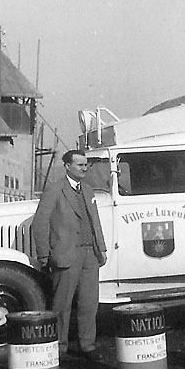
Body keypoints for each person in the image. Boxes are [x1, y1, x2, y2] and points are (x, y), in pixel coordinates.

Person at [32, 149, 108, 357]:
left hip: (89, 255)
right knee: (62, 305)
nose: (84, 168)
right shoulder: (55, 190)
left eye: (86, 165)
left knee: (89, 303)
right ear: (67, 166)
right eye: (80, 165)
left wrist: (101, 248)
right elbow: (40, 222)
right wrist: (44, 255)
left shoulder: (88, 190)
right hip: (65, 255)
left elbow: (95, 221)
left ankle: (87, 345)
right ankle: (59, 346)